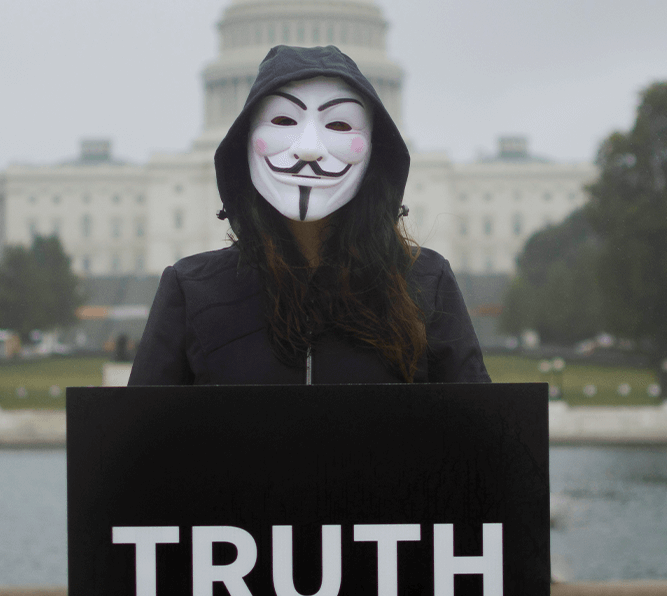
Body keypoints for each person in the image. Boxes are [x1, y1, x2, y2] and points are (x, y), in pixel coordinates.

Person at [127, 45, 489, 386]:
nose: (309, 149)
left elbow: (480, 433)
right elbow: (137, 437)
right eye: (284, 120)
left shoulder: (426, 282)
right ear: (246, 140)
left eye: (339, 125)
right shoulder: (193, 289)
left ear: (376, 150)